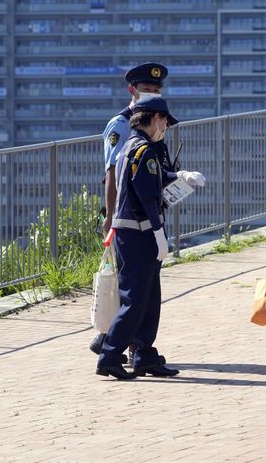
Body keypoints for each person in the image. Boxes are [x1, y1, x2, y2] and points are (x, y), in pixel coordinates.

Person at [95, 94, 207, 379]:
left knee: (148, 297)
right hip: (139, 232)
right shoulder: (143, 151)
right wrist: (159, 232)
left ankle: (145, 354)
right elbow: (146, 197)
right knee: (135, 299)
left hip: (135, 232)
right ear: (155, 118)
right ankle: (109, 354)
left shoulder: (132, 147)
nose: (165, 128)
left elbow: (153, 179)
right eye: (165, 122)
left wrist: (180, 175)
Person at [90, 62, 168, 357]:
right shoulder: (121, 125)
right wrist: (109, 219)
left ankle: (137, 347)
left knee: (147, 287)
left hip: (150, 215)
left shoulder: (153, 123)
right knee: (133, 287)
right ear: (132, 91)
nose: (151, 94)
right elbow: (113, 174)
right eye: (146, 90)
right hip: (128, 218)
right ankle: (116, 345)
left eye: (156, 90)